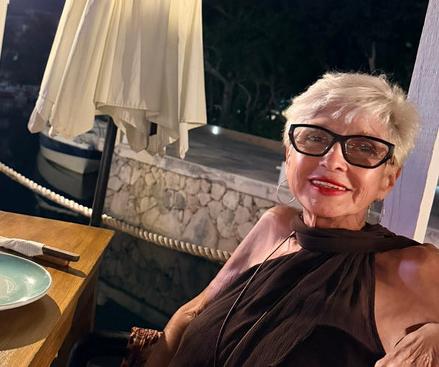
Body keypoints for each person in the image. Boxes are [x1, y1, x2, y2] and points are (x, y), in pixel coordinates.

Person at [144, 72, 439, 366]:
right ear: (288, 156)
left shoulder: (412, 268)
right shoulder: (274, 226)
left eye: (364, 148)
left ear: (388, 179)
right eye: (315, 137)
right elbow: (192, 313)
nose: (332, 161)